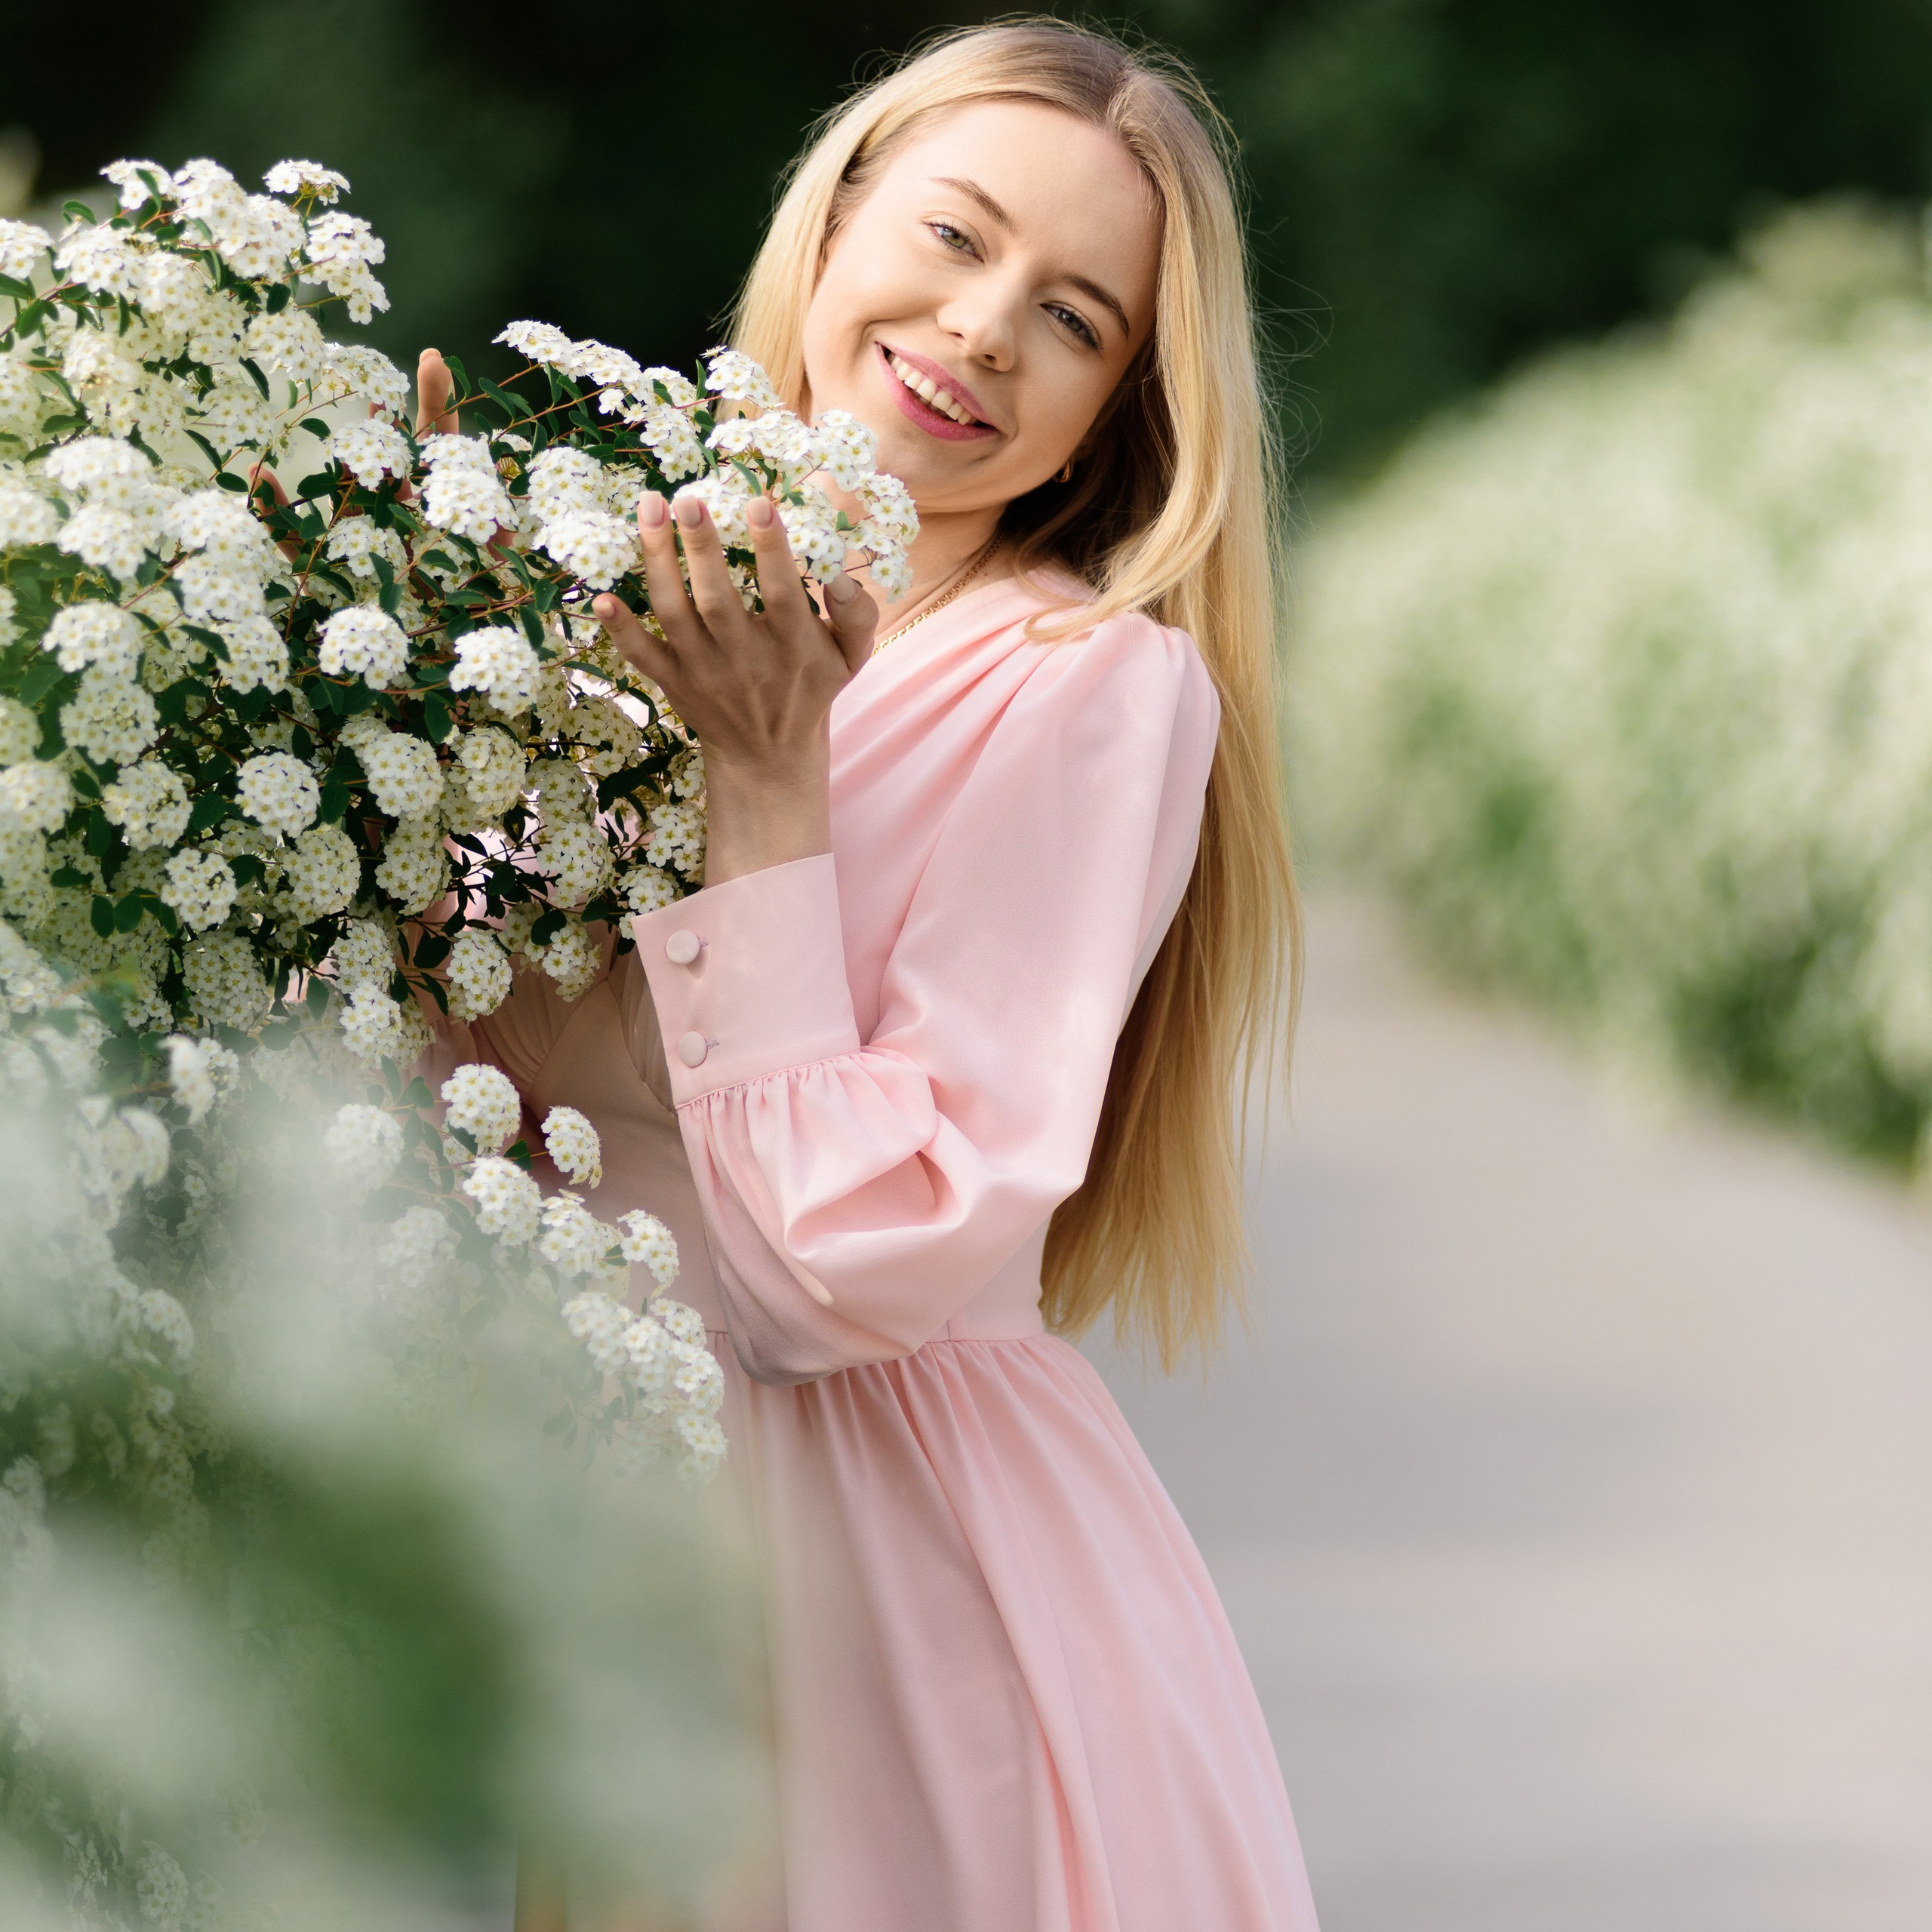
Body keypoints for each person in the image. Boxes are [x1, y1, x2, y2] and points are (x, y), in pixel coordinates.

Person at [428, 20, 1318, 1930]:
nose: (986, 325)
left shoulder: (1086, 691)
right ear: (829, 232)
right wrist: (396, 707)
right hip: (600, 1554)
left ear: (1113, 416)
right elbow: (468, 1098)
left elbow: (853, 1264)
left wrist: (767, 788)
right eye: (952, 234)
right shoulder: (614, 586)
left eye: (1075, 319)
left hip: (888, 1602)